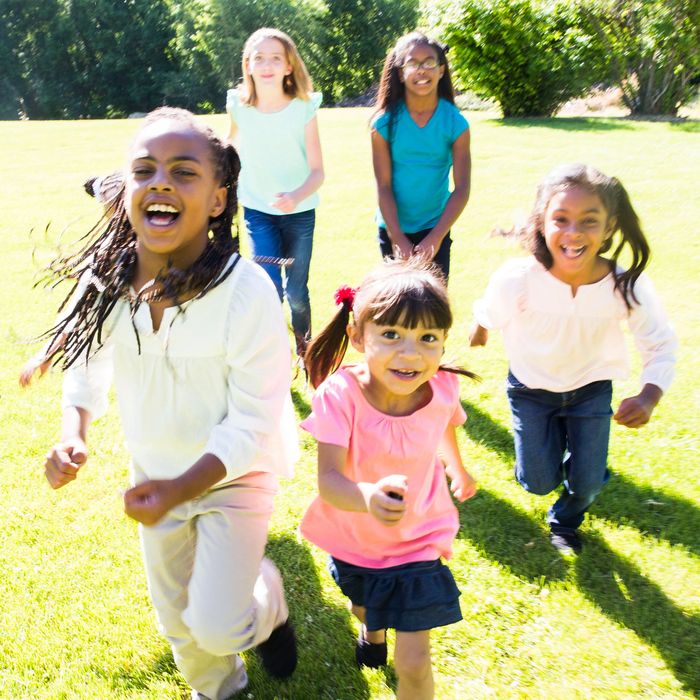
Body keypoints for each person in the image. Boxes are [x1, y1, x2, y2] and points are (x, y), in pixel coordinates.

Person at [37, 107, 299, 700]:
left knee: (218, 623)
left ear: (216, 200)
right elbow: (87, 366)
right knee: (179, 623)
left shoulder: (246, 292)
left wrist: (182, 490)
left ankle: (269, 600)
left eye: (183, 172)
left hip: (234, 476)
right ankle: (223, 693)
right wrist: (73, 431)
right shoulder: (108, 280)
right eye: (144, 170)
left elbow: (253, 421)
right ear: (126, 190)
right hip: (155, 473)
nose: (160, 182)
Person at [469, 163, 677, 555]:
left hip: (590, 390)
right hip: (531, 390)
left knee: (588, 483)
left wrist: (649, 396)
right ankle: (581, 464)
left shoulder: (623, 284)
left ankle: (566, 519)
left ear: (610, 225)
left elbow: (660, 342)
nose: (573, 233)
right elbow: (489, 312)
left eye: (589, 221)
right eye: (560, 220)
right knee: (537, 481)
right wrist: (479, 328)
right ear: (541, 222)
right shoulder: (518, 278)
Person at [301, 258, 478, 699]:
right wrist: (368, 496)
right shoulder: (340, 396)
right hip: (357, 536)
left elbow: (445, 425)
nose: (411, 354)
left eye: (428, 339)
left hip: (419, 535)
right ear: (358, 336)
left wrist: (456, 466)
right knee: (366, 607)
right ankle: (371, 630)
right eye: (392, 335)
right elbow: (328, 480)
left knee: (414, 664)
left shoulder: (442, 387)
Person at [226, 27, 324, 359]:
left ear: (288, 66)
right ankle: (270, 356)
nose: (267, 64)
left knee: (296, 292)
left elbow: (318, 171)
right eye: (259, 58)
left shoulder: (303, 108)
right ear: (248, 65)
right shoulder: (239, 107)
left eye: (275, 58)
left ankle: (305, 351)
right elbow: (230, 151)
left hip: (299, 214)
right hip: (257, 211)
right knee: (267, 288)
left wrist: (296, 195)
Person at [371, 32, 471, 281]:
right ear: (401, 72)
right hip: (393, 229)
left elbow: (462, 189)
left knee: (432, 314)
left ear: (441, 70)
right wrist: (398, 239)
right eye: (413, 63)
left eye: (429, 62)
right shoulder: (384, 124)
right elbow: (383, 186)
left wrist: (435, 237)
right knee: (398, 312)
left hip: (435, 228)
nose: (422, 70)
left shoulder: (456, 123)